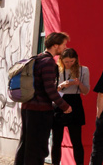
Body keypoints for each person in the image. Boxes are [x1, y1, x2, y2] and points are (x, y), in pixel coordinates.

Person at [14, 32, 73, 165]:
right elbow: (49, 89)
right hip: (40, 110)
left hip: (27, 107)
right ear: (55, 45)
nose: (65, 47)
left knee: (26, 144)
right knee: (38, 147)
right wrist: (64, 106)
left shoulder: (37, 58)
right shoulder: (48, 63)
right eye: (63, 45)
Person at [52, 48, 90, 165]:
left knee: (76, 140)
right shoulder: (56, 70)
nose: (69, 64)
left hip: (75, 101)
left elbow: (86, 91)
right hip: (59, 101)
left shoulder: (83, 70)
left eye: (72, 61)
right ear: (61, 60)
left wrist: (79, 83)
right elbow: (50, 90)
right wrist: (61, 86)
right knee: (56, 140)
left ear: (76, 60)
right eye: (66, 61)